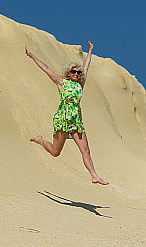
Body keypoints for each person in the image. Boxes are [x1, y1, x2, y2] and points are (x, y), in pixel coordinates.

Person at [26, 41, 108, 185]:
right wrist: (32, 56)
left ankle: (94, 176)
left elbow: (86, 66)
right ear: (68, 73)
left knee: (86, 151)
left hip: (76, 121)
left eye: (78, 72)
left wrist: (90, 50)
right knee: (55, 152)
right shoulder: (61, 82)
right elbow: (46, 68)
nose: (76, 74)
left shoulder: (80, 85)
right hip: (63, 119)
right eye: (73, 72)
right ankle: (40, 140)